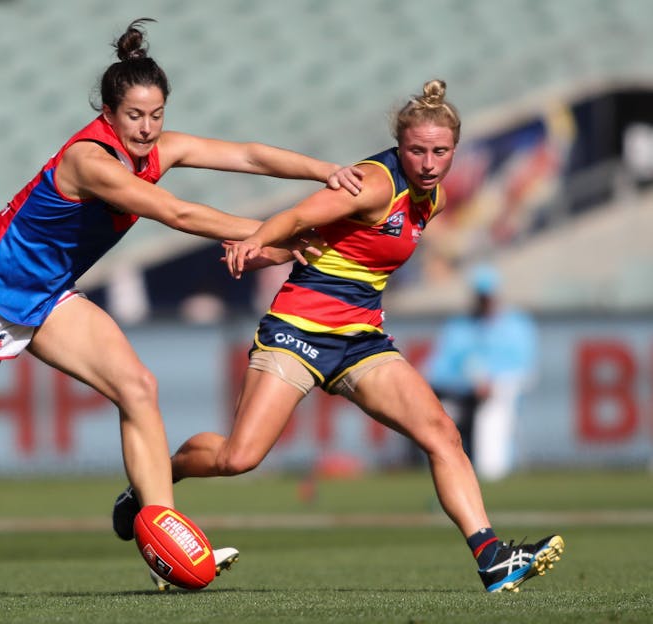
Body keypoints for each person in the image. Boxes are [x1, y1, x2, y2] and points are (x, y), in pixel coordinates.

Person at [0, 18, 364, 582]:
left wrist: (327, 171)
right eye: (134, 116)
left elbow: (250, 156)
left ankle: (164, 535)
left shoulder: (159, 147)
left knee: (137, 388)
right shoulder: (90, 161)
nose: (146, 128)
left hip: (48, 296)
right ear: (106, 114)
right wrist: (270, 235)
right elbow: (178, 213)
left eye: (156, 115)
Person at [113, 80, 563, 593]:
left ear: (455, 149)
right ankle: (155, 481)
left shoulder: (431, 197)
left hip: (361, 340)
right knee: (238, 458)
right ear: (400, 146)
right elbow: (302, 215)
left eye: (441, 151)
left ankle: (492, 558)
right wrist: (256, 240)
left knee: (441, 434)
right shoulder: (375, 183)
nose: (429, 162)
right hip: (298, 330)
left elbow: (352, 251)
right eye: (417, 150)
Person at [426, 264, 538, 481]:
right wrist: (470, 384)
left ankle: (490, 474)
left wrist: (490, 383)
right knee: (436, 412)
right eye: (482, 296)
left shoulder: (517, 325)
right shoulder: (459, 326)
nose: (486, 301)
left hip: (502, 389)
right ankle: (450, 473)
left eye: (489, 296)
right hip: (463, 393)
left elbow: (524, 369)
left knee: (493, 407)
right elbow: (436, 371)